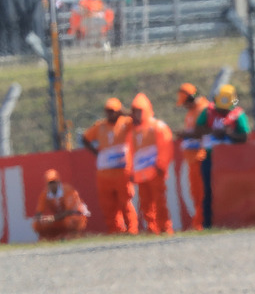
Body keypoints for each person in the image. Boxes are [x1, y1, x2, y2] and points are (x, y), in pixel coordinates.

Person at [192, 84, 250, 228]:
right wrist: (213, 131)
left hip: (232, 160)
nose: (222, 111)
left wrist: (229, 133)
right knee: (208, 191)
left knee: (234, 191)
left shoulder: (238, 114)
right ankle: (208, 224)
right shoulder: (208, 112)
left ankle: (236, 221)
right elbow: (197, 130)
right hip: (210, 158)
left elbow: (244, 137)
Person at [82, 97, 138, 235]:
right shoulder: (100, 126)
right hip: (104, 174)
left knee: (126, 202)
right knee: (108, 205)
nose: (109, 114)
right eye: (107, 111)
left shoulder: (126, 123)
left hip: (122, 171)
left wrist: (124, 112)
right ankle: (116, 230)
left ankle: (132, 229)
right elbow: (85, 138)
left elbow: (139, 119)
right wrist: (95, 152)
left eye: (113, 111)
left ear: (118, 111)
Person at [128, 92, 174, 235]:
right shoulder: (132, 132)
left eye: (139, 111)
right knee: (145, 205)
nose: (136, 114)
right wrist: (129, 171)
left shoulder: (157, 127)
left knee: (160, 202)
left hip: (155, 172)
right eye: (134, 111)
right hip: (141, 174)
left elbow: (165, 147)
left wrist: (161, 165)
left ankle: (165, 228)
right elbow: (129, 153)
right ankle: (151, 228)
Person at [175, 83, 210, 231]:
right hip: (192, 159)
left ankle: (202, 223)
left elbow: (204, 131)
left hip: (201, 157)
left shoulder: (204, 109)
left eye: (185, 103)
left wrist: (185, 134)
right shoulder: (191, 112)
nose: (184, 106)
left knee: (202, 193)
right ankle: (198, 223)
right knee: (195, 194)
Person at [32, 169, 90, 241]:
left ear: (58, 182)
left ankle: (75, 237)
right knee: (37, 224)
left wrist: (52, 218)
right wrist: (40, 219)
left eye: (54, 182)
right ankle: (51, 240)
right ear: (47, 184)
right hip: (60, 217)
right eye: (50, 183)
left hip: (77, 216)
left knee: (71, 220)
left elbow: (69, 211)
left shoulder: (68, 191)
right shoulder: (44, 194)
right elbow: (39, 212)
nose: (52, 185)